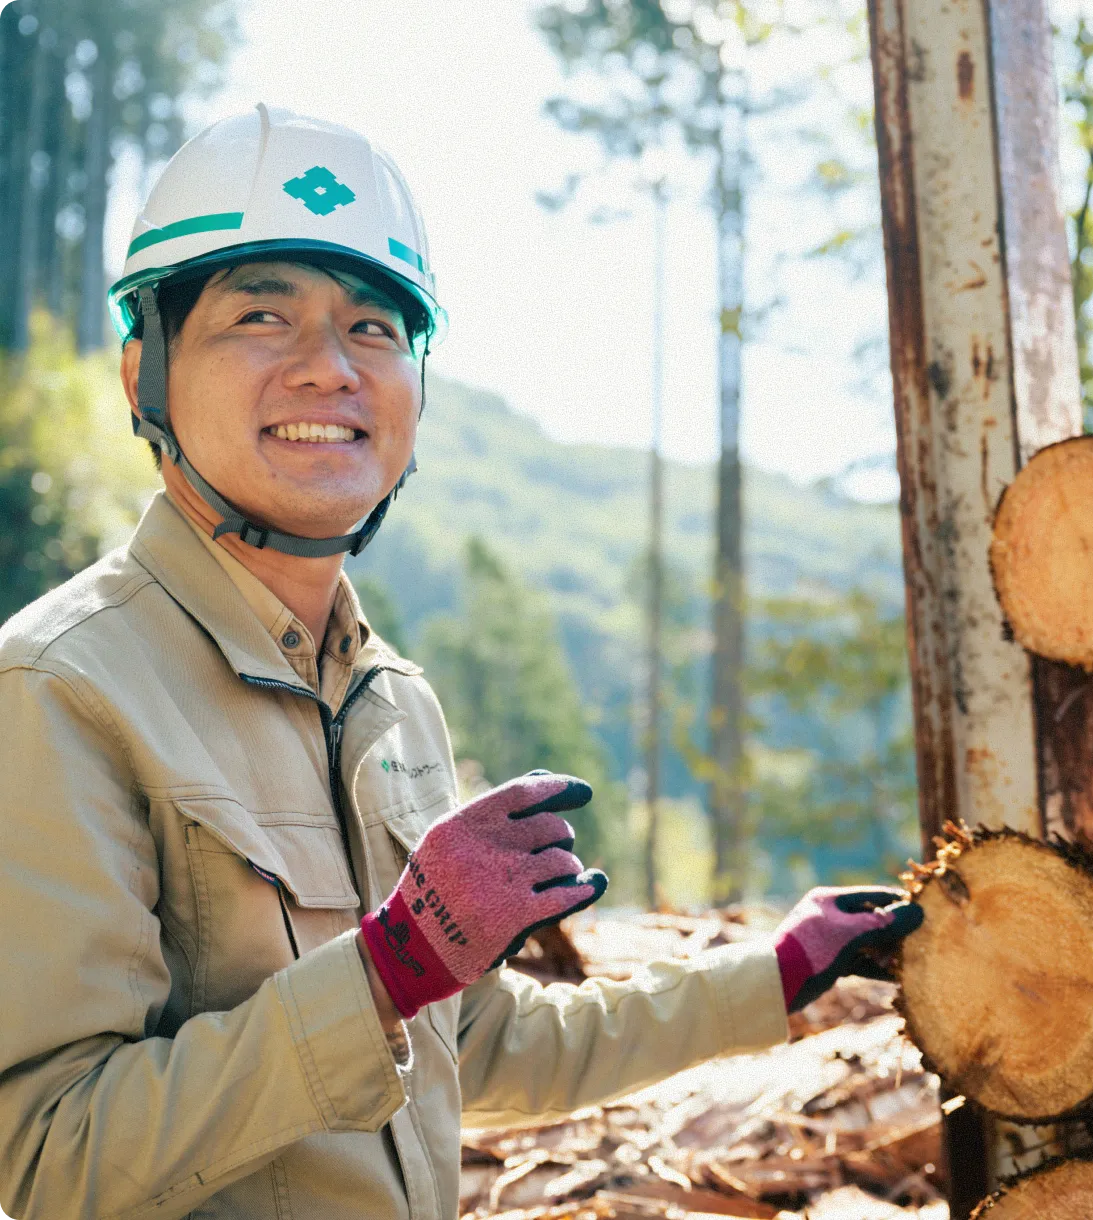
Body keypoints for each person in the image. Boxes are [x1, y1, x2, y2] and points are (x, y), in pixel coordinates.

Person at [0, 105, 922, 1220]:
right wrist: (387, 964)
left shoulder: (391, 703)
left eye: (374, 326)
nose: (327, 368)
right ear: (145, 372)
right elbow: (40, 1159)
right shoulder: (62, 689)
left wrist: (770, 971)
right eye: (259, 314)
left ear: (415, 388)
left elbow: (464, 1046)